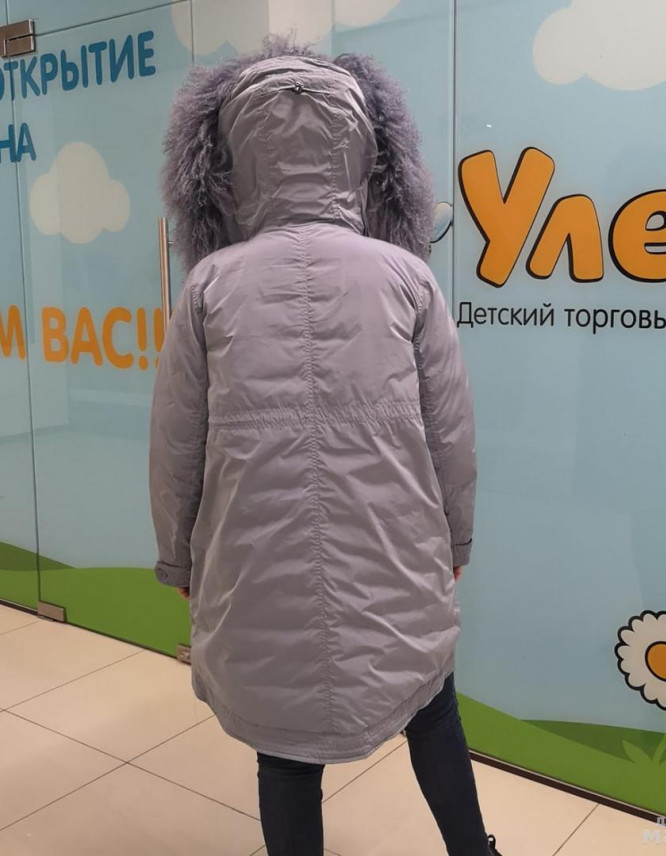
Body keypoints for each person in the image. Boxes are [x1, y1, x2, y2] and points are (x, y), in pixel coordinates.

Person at [149, 36, 501, 856]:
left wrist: (178, 556)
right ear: (365, 150)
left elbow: (175, 443)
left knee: (284, 750)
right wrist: (456, 539)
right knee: (433, 708)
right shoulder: (407, 276)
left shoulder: (209, 286)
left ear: (229, 156)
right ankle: (474, 851)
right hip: (396, 548)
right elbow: (452, 433)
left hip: (255, 558)